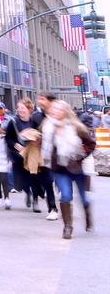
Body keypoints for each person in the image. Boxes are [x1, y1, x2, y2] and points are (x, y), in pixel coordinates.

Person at [41, 100, 96, 239]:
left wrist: (80, 156)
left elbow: (90, 144)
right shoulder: (48, 127)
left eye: (59, 109)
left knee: (83, 198)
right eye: (54, 109)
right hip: (59, 169)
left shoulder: (76, 127)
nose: (56, 111)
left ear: (65, 111)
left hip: (76, 167)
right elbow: (45, 148)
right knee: (65, 196)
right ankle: (67, 227)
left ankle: (87, 215)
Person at [32, 93, 59, 221]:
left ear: (50, 101)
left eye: (42, 99)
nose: (39, 101)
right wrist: (32, 137)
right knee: (48, 182)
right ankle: (52, 208)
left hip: (60, 154)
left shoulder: (60, 114)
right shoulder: (36, 117)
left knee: (61, 182)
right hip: (44, 154)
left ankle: (64, 200)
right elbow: (32, 132)